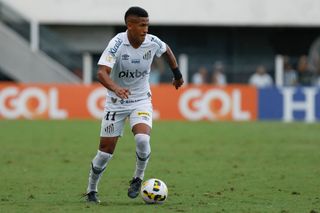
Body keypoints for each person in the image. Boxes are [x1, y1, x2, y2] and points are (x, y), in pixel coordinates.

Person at [84, 6, 184, 203]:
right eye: (141, 25)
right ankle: (91, 190)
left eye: (147, 24)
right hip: (116, 102)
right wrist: (116, 89)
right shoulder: (116, 44)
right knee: (105, 152)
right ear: (129, 25)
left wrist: (177, 74)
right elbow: (101, 73)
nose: (146, 29)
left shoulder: (152, 42)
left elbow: (167, 50)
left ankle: (138, 178)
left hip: (141, 99)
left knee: (142, 140)